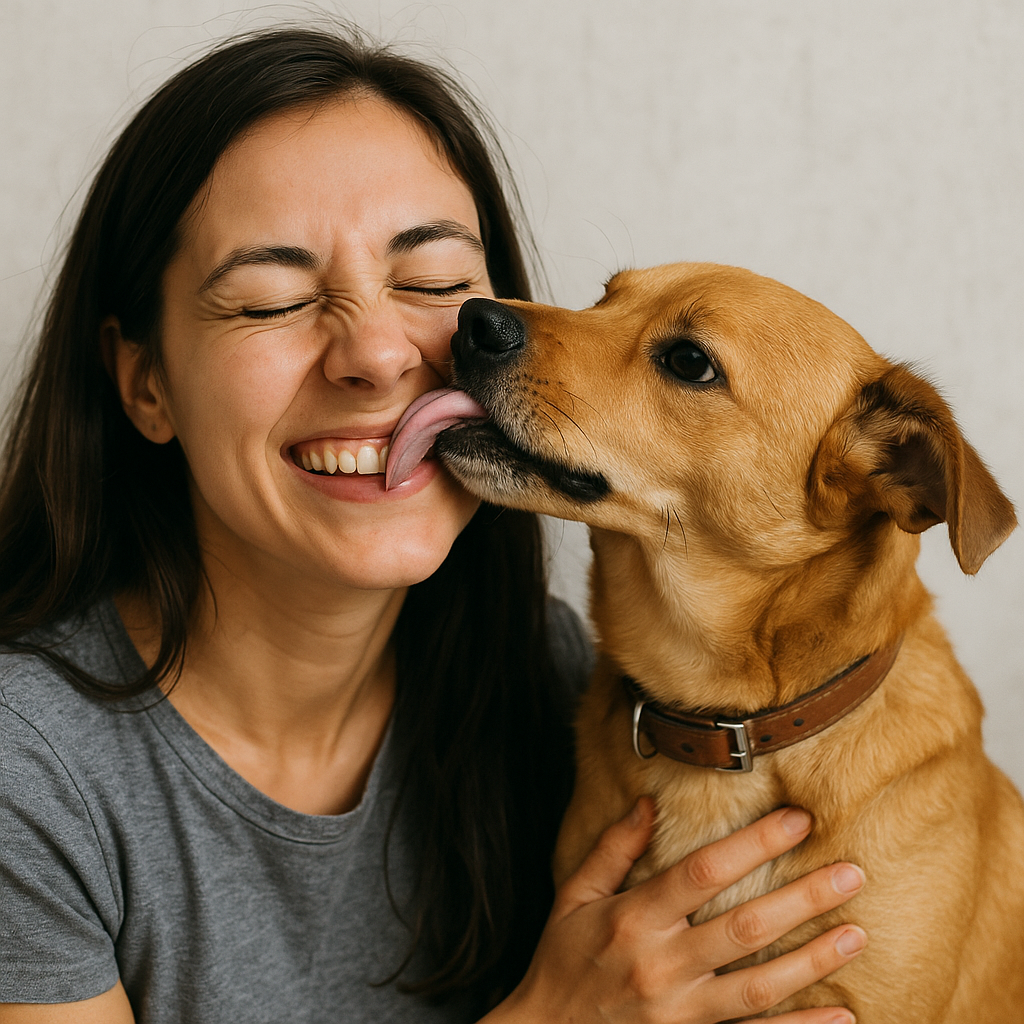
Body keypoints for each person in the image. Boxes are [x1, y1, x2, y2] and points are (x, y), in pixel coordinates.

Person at [0, 26, 866, 1024]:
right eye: (273, 299)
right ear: (144, 382)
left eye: (429, 284)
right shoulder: (29, 767)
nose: (375, 353)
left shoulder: (555, 682)